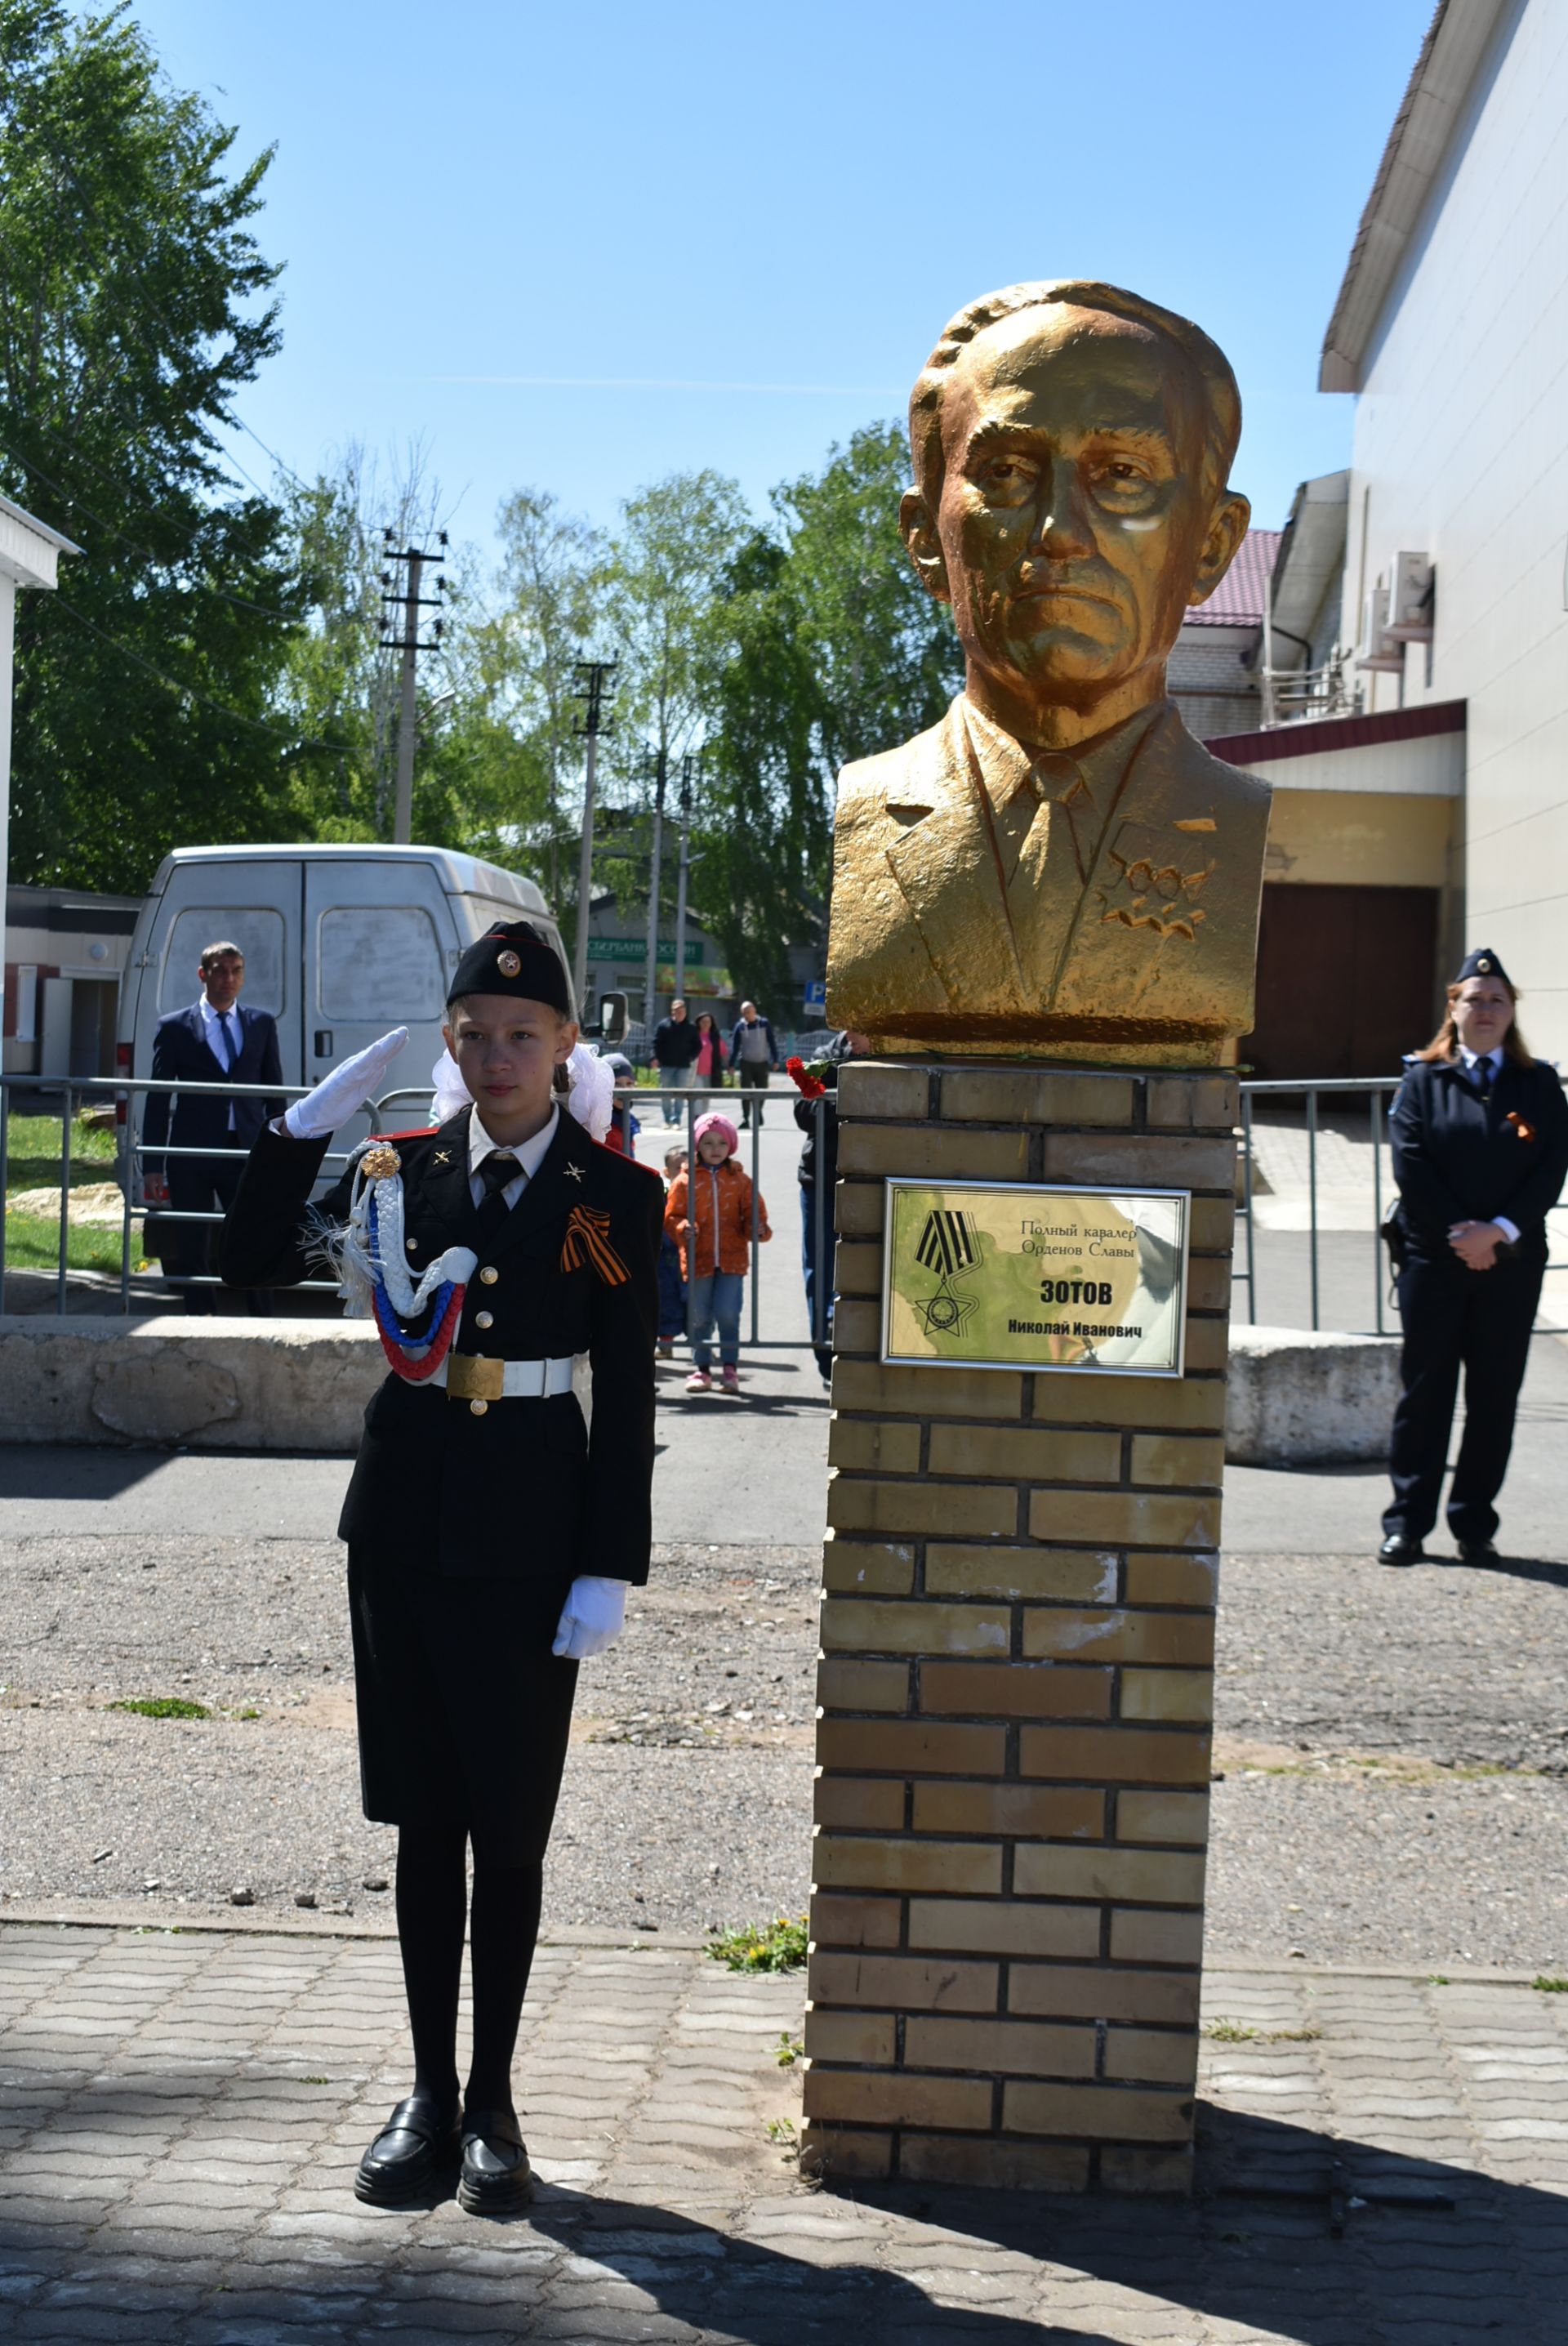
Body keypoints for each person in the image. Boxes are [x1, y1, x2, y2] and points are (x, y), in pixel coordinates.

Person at [218, 920, 662, 2214]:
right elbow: (247, 1265)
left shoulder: (615, 1195)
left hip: (535, 1534)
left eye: (523, 1035)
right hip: (405, 1522)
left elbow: (628, 1398)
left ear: (568, 1046)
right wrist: (302, 1127)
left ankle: (498, 2104)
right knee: (425, 1822)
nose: (496, 1056)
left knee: (510, 1832)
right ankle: (425, 2092)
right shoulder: (393, 1170)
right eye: (473, 1035)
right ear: (454, 1046)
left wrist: (609, 1565)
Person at [824, 278, 1269, 1067]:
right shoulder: (871, 806)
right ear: (928, 538)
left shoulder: (1231, 821)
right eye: (1006, 474)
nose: (1062, 531)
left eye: (1123, 475)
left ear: (1210, 544)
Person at [1379, 947, 1568, 1567]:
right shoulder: (1421, 1079)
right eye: (1474, 999)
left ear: (1512, 1012)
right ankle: (1407, 1523)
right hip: (1434, 1261)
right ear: (1452, 1008)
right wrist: (1464, 1236)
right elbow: (1412, 1165)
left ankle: (1474, 1524)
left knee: (1494, 1396)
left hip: (1510, 1265)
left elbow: (1550, 1168)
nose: (1485, 1010)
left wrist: (1499, 1232)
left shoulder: (1538, 1084)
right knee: (1425, 1395)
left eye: (1497, 1000)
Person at [143, 940, 284, 1313]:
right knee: (193, 1241)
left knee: (254, 1236)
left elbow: (275, 1093)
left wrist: (282, 1153)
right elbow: (158, 1098)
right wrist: (154, 1165)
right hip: (193, 1152)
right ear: (202, 975)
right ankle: (200, 1317)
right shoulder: (174, 1028)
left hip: (246, 1150)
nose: (229, 979)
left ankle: (263, 1321)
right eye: (220, 970)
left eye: (236, 970)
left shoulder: (261, 1024)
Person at [664, 1109, 769, 1393]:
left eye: (722, 1143)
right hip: (699, 1259)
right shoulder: (683, 1182)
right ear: (697, 1145)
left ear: (731, 1146)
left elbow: (753, 1213)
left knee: (727, 1313)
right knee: (699, 1316)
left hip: (733, 1259)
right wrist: (682, 1227)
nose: (715, 1149)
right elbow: (671, 1216)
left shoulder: (740, 1180)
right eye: (708, 1143)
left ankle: (730, 1368)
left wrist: (757, 1228)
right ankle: (701, 1370)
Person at [790, 1032, 867, 1384]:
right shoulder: (825, 1056)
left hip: (870, 1177)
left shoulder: (895, 1049)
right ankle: (827, 1357)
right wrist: (853, 1097)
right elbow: (805, 1113)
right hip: (820, 1176)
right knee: (819, 1270)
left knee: (864, 1266)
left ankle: (856, 1353)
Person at [657, 1144, 688, 1359]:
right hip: (666, 1256)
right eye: (678, 1167)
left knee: (695, 1302)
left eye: (688, 1166)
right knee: (667, 1301)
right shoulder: (663, 1193)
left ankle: (700, 1343)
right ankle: (666, 1343)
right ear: (667, 1172)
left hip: (692, 1255)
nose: (684, 1171)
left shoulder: (700, 1191)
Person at [729, 1001, 779, 1129]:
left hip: (762, 1063)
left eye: (749, 1011)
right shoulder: (740, 1026)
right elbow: (735, 1047)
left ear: (754, 1011)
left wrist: (775, 1060)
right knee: (746, 1092)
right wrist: (731, 1065)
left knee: (762, 1090)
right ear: (742, 1014)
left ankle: (758, 1112)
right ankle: (746, 1118)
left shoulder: (764, 1023)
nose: (747, 1014)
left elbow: (772, 1042)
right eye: (745, 1012)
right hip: (746, 1063)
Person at [652, 997, 699, 1125]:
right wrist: (655, 1058)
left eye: (681, 1010)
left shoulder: (691, 1027)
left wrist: (691, 1057)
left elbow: (698, 1045)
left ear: (685, 1011)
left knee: (680, 1093)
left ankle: (677, 1119)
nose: (678, 1013)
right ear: (672, 1011)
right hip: (666, 1065)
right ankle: (667, 1119)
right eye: (676, 1010)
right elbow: (656, 1043)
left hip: (683, 1066)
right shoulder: (663, 1025)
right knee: (665, 1093)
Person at [692, 1010, 727, 1093]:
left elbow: (724, 1054)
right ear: (698, 1023)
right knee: (698, 1097)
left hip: (711, 1073)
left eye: (708, 1022)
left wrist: (729, 1067)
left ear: (711, 1023)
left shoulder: (716, 1038)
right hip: (695, 1073)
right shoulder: (693, 1036)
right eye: (703, 1022)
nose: (706, 1024)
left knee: (706, 1098)